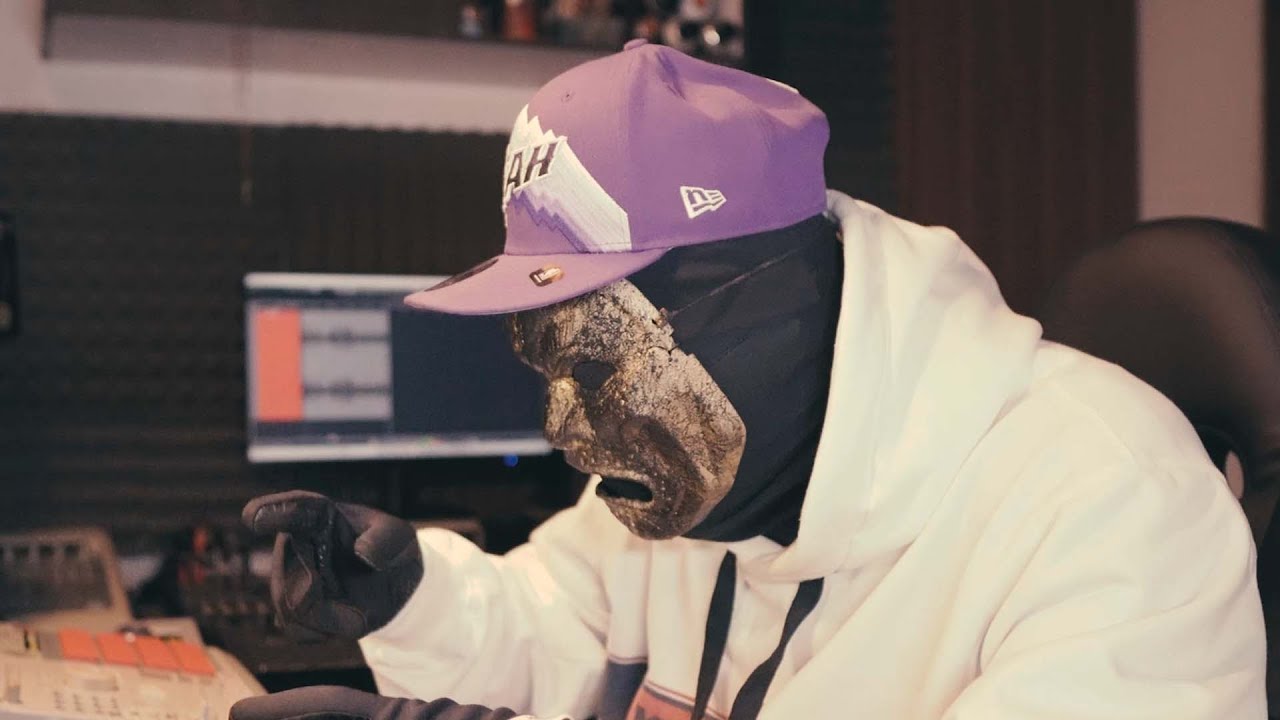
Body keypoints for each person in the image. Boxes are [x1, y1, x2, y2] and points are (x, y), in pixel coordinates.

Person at [230, 39, 1267, 720]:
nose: (567, 429)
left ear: (765, 304)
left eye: (596, 359)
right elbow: (561, 629)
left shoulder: (1110, 502)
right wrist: (413, 601)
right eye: (544, 365)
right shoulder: (690, 488)